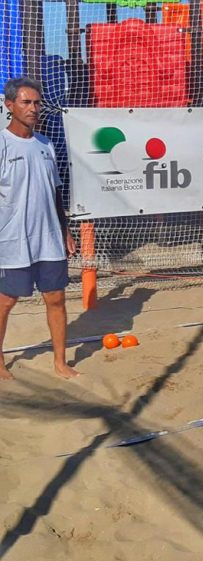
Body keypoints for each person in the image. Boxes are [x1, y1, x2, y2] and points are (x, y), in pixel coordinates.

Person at [0, 77, 78, 380]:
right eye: (26, 102)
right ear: (10, 105)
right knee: (6, 301)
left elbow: (55, 192)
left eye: (37, 102)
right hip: (13, 239)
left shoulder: (46, 144)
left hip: (49, 238)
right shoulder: (3, 143)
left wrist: (65, 229)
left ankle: (60, 362)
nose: (33, 108)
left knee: (56, 298)